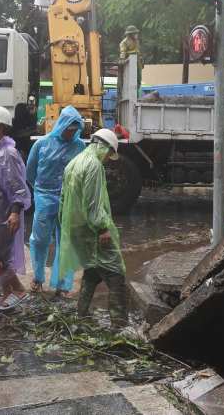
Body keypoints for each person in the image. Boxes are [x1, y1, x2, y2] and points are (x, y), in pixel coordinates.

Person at [59, 128, 129, 328]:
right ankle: (119, 325)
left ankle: (80, 315)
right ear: (103, 146)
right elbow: (93, 204)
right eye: (108, 154)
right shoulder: (93, 165)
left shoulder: (74, 162)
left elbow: (63, 199)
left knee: (92, 270)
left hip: (77, 229)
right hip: (92, 230)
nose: (107, 159)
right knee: (116, 273)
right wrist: (102, 229)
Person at [26, 105, 86, 296]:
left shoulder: (79, 147)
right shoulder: (42, 144)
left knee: (66, 241)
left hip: (68, 199)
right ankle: (38, 277)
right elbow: (30, 171)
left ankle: (61, 284)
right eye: (69, 129)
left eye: (75, 130)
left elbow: (82, 174)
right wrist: (39, 191)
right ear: (61, 125)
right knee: (40, 239)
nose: (71, 133)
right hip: (44, 196)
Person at [0, 106, 32, 312]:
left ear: (1, 128)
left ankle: (18, 290)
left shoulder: (8, 153)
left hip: (5, 215)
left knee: (3, 255)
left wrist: (14, 212)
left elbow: (18, 187)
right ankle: (7, 293)